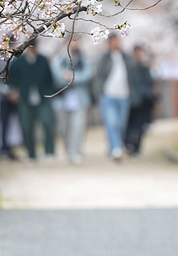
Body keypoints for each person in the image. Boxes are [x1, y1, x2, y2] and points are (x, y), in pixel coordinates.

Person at [92, 32, 139, 162]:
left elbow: (134, 68)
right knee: (112, 122)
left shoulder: (125, 57)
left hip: (124, 95)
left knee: (121, 124)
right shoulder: (104, 58)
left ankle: (113, 146)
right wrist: (99, 91)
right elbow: (97, 76)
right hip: (108, 95)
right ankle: (116, 149)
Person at [8, 39, 57, 162]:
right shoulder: (18, 62)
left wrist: (50, 93)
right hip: (24, 98)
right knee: (27, 126)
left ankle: (49, 151)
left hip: (43, 97)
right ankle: (31, 154)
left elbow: (50, 79)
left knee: (47, 123)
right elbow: (9, 79)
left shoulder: (43, 60)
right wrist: (13, 91)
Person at [51, 35, 94, 165]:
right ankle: (68, 151)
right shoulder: (59, 60)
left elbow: (88, 75)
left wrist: (70, 77)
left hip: (80, 100)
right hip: (62, 100)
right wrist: (73, 77)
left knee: (78, 127)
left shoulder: (84, 60)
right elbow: (57, 77)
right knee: (64, 128)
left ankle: (75, 152)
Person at [124, 45, 156, 157]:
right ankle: (129, 144)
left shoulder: (144, 68)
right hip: (130, 100)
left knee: (139, 126)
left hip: (142, 102)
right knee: (129, 124)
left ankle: (136, 148)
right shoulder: (128, 67)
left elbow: (150, 81)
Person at [0, 54, 20, 160]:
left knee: (14, 124)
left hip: (16, 95)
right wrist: (8, 93)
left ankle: (12, 147)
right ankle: (4, 148)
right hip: (3, 98)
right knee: (4, 123)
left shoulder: (16, 57)